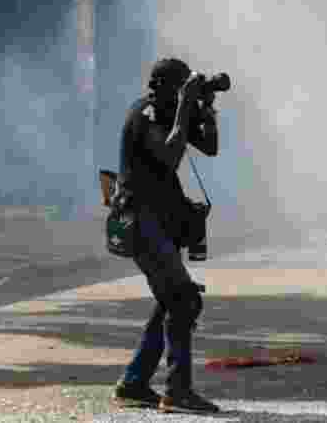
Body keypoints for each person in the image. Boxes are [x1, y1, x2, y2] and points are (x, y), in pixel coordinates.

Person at [110, 58, 221, 414]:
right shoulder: (147, 114)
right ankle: (177, 391)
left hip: (157, 221)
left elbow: (210, 146)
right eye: (178, 89)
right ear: (159, 86)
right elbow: (171, 156)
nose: (179, 96)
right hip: (141, 222)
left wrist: (206, 107)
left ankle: (134, 383)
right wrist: (187, 104)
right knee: (184, 300)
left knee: (171, 301)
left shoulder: (172, 110)